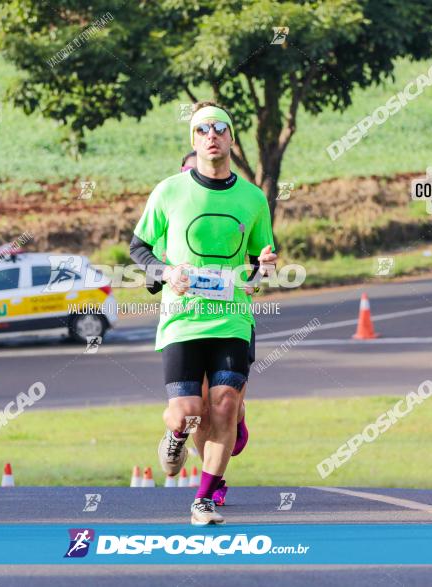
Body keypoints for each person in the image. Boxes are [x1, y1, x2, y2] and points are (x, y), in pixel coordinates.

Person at [130, 101, 276, 525]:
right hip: (183, 320)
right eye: (202, 130)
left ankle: (205, 499)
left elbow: (258, 260)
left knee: (226, 404)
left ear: (231, 137)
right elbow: (138, 247)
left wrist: (264, 267)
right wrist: (164, 272)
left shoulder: (252, 198)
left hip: (232, 317)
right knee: (190, 412)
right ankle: (176, 433)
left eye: (220, 128)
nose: (212, 136)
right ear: (193, 140)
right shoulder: (169, 191)